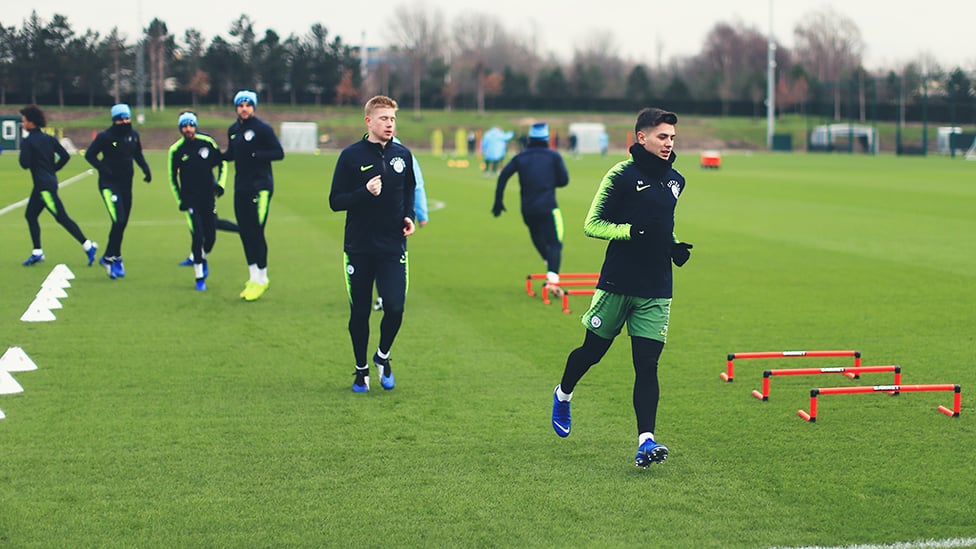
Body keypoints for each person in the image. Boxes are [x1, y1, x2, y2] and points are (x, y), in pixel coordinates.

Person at [550, 107, 693, 468]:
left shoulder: (677, 180)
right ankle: (564, 394)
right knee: (592, 353)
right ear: (640, 137)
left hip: (657, 286)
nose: (669, 143)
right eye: (662, 136)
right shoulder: (621, 175)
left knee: (647, 365)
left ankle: (646, 441)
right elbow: (593, 224)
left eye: (673, 138)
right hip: (618, 281)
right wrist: (630, 232)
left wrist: (673, 244)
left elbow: (662, 224)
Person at [329, 95, 416, 393]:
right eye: (383, 119)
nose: (389, 124)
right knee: (360, 313)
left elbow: (409, 189)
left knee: (395, 307)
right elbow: (335, 201)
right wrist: (364, 192)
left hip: (392, 246)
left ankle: (382, 356)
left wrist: (409, 216)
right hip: (359, 248)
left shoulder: (403, 155)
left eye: (392, 119)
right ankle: (360, 370)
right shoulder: (351, 156)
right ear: (369, 121)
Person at [492, 122, 569, 293]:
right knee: (555, 243)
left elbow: (503, 175)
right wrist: (548, 182)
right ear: (546, 138)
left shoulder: (521, 157)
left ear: (530, 139)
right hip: (548, 207)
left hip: (527, 209)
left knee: (537, 236)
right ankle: (553, 280)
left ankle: (549, 265)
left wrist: (498, 201)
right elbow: (564, 180)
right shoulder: (553, 156)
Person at [17, 105, 98, 267]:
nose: (23, 123)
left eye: (24, 120)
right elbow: (65, 156)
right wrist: (53, 168)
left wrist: (26, 150)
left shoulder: (28, 141)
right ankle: (37, 252)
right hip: (48, 182)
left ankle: (88, 245)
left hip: (43, 187)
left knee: (61, 217)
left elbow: (24, 164)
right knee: (30, 215)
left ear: (31, 122)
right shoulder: (49, 138)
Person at [224, 90, 284, 301]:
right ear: (236, 108)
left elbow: (279, 152)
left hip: (260, 187)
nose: (244, 108)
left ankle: (263, 278)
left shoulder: (262, 129)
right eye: (241, 105)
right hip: (240, 188)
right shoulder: (233, 130)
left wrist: (256, 155)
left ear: (254, 107)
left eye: (248, 105)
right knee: (245, 232)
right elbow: (230, 155)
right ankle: (252, 277)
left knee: (256, 231)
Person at [84, 103, 152, 279]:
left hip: (126, 185)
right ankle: (110, 257)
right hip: (109, 185)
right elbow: (90, 155)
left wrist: (146, 170)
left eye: (127, 118)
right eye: (121, 119)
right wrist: (103, 168)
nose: (125, 121)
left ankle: (114, 257)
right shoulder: (105, 137)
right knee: (118, 220)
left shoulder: (133, 135)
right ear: (114, 120)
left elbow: (138, 154)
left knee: (122, 223)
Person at [167, 111, 229, 291]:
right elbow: (172, 178)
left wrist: (220, 185)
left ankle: (201, 256)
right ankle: (199, 276)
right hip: (190, 200)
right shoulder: (176, 150)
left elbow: (222, 162)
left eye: (191, 125)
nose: (188, 129)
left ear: (195, 126)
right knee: (197, 234)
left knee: (210, 236)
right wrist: (180, 200)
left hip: (208, 197)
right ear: (180, 129)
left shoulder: (207, 143)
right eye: (184, 126)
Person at [374, 135, 428, 311]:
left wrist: (420, 213)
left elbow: (415, 184)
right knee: (377, 256)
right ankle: (385, 295)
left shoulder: (403, 154)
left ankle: (386, 296)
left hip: (395, 218)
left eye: (391, 119)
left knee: (386, 257)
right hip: (373, 217)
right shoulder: (364, 151)